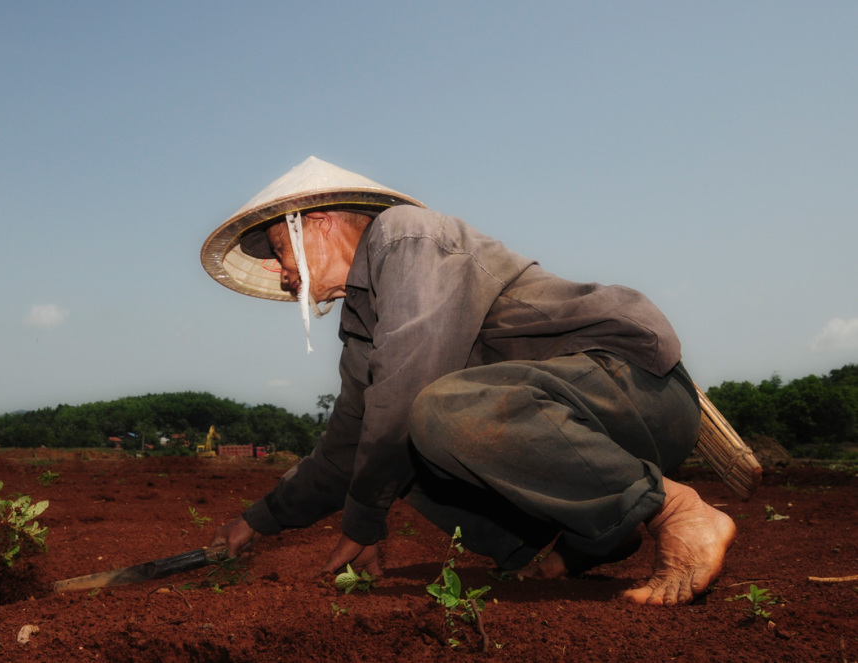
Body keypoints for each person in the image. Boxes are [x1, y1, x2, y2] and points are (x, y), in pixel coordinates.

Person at [200, 156, 735, 606]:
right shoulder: (363, 323)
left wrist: (365, 522)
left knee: (431, 412)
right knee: (391, 453)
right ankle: (581, 542)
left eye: (278, 249)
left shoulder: (405, 237)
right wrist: (259, 520)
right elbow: (346, 447)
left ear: (316, 221)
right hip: (577, 426)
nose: (279, 270)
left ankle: (677, 510)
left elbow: (407, 388)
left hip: (631, 386)